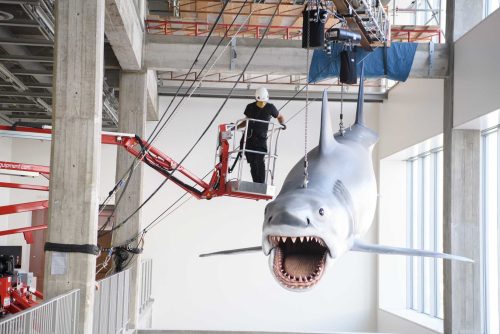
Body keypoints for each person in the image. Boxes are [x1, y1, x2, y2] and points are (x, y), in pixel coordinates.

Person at [239, 87, 285, 183]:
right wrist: (236, 127)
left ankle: (261, 183)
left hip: (261, 139)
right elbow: (246, 121)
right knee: (252, 162)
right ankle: (256, 183)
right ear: (256, 98)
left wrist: (282, 124)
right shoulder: (250, 107)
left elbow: (280, 116)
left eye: (263, 102)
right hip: (249, 138)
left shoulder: (270, 107)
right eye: (260, 102)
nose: (262, 104)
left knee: (259, 160)